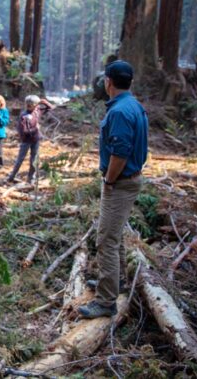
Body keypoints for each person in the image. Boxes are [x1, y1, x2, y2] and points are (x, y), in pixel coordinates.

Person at [78, 60, 148, 319]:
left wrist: (108, 180)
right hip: (128, 179)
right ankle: (115, 283)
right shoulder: (133, 105)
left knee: (106, 239)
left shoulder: (119, 112)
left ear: (108, 81)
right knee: (114, 235)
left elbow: (120, 152)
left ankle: (106, 302)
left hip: (120, 182)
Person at [6, 95, 53, 183]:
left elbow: (50, 108)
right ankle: (11, 177)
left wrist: (43, 101)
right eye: (28, 104)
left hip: (35, 140)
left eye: (31, 104)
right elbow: (24, 131)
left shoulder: (37, 111)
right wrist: (36, 128)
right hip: (26, 141)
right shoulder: (24, 116)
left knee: (34, 160)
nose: (29, 106)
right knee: (20, 159)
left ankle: (31, 178)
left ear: (35, 105)